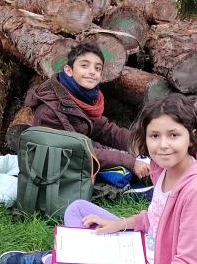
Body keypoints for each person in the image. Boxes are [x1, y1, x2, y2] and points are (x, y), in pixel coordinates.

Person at [0, 94, 197, 264]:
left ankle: (48, 262)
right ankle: (78, 261)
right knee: (78, 209)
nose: (163, 145)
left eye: (173, 135)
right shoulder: (164, 168)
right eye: (154, 136)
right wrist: (121, 224)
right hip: (142, 246)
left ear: (192, 135)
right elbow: (158, 216)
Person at [25, 43, 149, 180]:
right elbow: (76, 153)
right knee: (124, 173)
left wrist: (142, 144)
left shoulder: (82, 97)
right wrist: (129, 161)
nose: (92, 72)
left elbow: (106, 130)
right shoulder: (50, 110)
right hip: (56, 175)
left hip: (78, 158)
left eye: (97, 68)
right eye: (84, 66)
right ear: (68, 70)